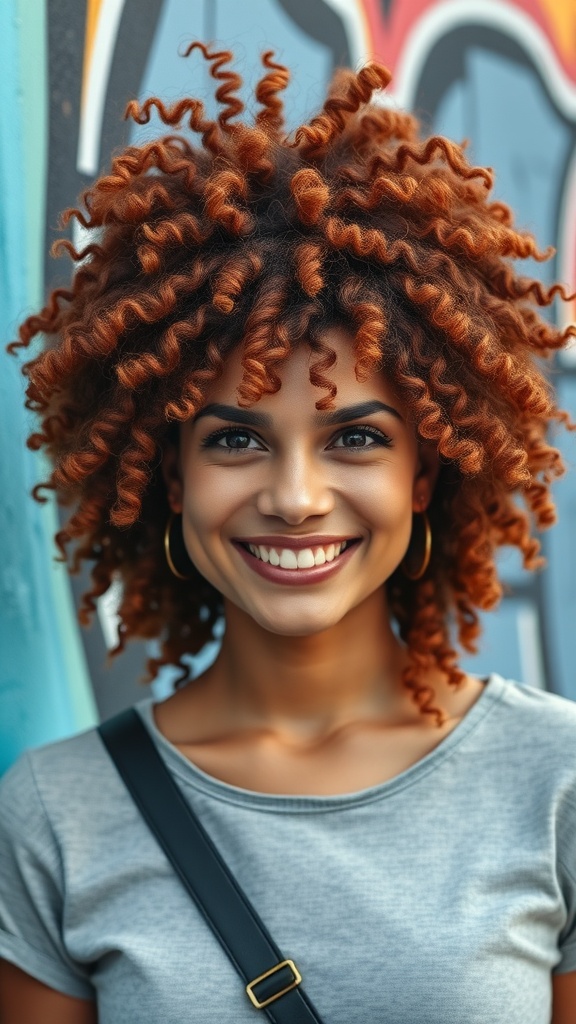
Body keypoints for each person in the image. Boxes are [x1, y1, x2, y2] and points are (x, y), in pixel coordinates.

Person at [0, 41, 575, 1024]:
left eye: (354, 436)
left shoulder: (555, 782)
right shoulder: (59, 813)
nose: (296, 496)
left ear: (426, 466)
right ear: (169, 473)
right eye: (234, 439)